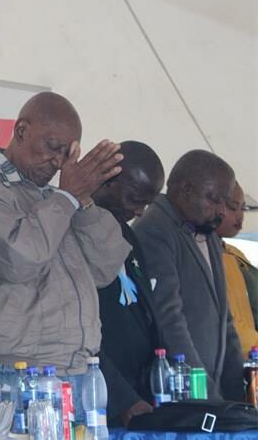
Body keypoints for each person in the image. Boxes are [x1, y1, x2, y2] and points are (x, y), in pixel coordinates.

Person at [0, 92, 130, 400]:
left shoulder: (57, 196)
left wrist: (84, 201)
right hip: (17, 372)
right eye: (53, 147)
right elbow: (21, 258)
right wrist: (67, 197)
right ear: (21, 131)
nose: (58, 162)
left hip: (79, 369)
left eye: (67, 154)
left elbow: (105, 268)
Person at [133, 149, 243, 399]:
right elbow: (169, 320)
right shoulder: (154, 230)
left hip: (213, 390)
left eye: (225, 203)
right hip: (183, 392)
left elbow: (224, 319)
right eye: (215, 199)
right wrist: (204, 394)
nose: (222, 211)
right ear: (186, 190)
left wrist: (237, 395)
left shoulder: (207, 232)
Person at [92, 141, 165, 426]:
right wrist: (121, 398)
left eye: (147, 203)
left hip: (140, 394)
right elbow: (78, 329)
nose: (140, 211)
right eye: (135, 199)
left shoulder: (128, 234)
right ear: (107, 179)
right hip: (104, 400)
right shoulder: (71, 231)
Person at [216, 181, 258, 358]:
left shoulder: (234, 253)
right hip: (241, 354)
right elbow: (237, 328)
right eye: (233, 208)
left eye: (243, 208)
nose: (240, 215)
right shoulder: (208, 259)